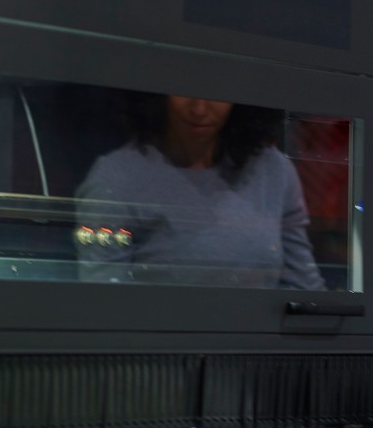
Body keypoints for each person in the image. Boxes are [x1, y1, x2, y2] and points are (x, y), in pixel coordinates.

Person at [75, 93, 326, 290]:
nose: (199, 109)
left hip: (258, 348)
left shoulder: (273, 170)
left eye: (216, 94)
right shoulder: (117, 176)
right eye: (184, 91)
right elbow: (105, 299)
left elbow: (304, 287)